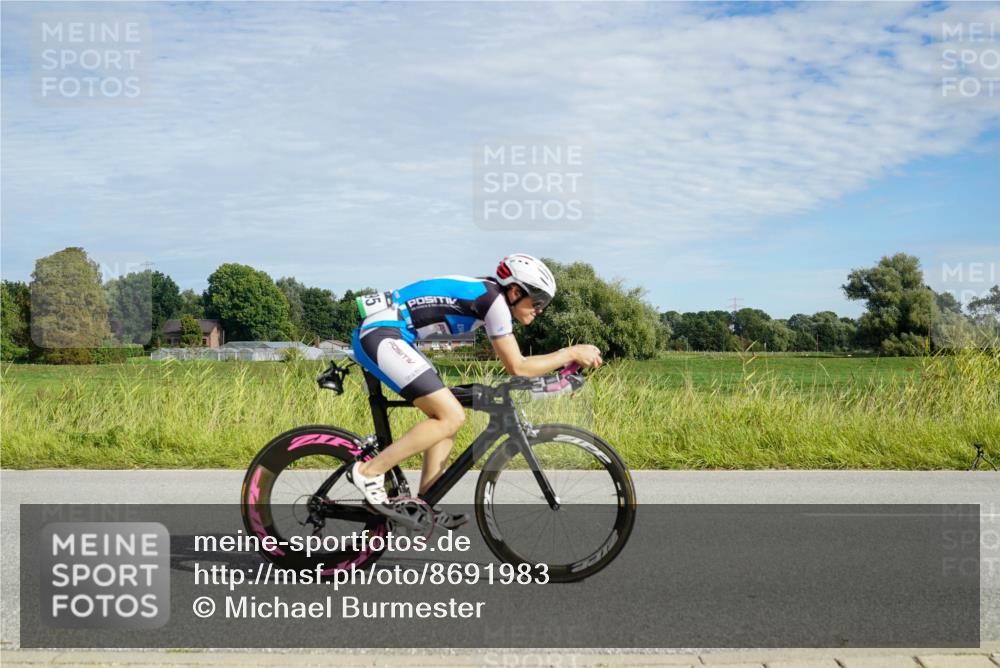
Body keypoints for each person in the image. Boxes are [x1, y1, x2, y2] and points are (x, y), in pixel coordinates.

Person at [346, 254, 603, 528]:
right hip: (381, 334)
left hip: (396, 336)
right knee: (450, 415)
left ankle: (425, 502)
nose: (540, 309)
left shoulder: (489, 296)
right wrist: (570, 352)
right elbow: (518, 366)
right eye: (537, 301)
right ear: (515, 291)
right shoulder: (495, 302)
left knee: (448, 417)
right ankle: (368, 472)